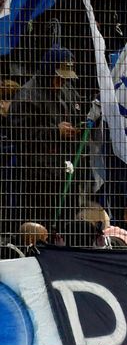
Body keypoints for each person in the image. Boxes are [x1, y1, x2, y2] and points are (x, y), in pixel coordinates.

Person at [8, 46, 82, 227]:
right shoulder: (27, 96)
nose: (61, 81)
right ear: (48, 70)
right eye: (58, 77)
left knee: (67, 224)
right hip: (38, 177)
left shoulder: (67, 91)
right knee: (40, 225)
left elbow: (79, 110)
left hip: (65, 171)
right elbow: (22, 135)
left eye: (65, 78)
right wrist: (55, 132)